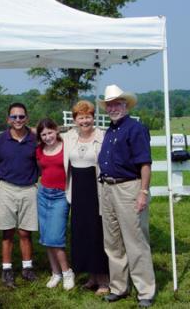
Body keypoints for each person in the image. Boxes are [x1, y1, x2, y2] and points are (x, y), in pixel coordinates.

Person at [98, 85, 156, 308]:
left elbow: (145, 164)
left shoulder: (136, 128)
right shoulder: (110, 130)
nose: (113, 108)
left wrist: (143, 192)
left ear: (125, 105)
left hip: (128, 188)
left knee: (136, 241)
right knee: (112, 242)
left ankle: (145, 291)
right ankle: (119, 287)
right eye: (110, 104)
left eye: (117, 103)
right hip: (108, 188)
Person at [63, 101, 109, 295]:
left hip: (96, 190)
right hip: (77, 191)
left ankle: (105, 280)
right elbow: (44, 135)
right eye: (80, 117)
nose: (85, 120)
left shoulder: (103, 136)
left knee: (98, 234)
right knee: (82, 234)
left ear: (93, 117)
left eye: (88, 116)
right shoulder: (68, 137)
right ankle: (91, 276)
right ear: (74, 120)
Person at [0, 102, 38, 288]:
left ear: (26, 118)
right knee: (8, 232)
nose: (17, 120)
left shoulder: (35, 139)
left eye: (21, 116)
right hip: (6, 188)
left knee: (25, 232)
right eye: (14, 117)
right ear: (8, 119)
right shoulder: (0, 140)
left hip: (29, 188)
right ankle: (7, 270)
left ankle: (27, 269)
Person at [36, 118, 75, 290]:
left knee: (56, 237)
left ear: (56, 130)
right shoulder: (39, 150)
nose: (47, 137)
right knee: (46, 238)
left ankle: (67, 272)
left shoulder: (67, 146)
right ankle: (55, 273)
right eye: (43, 134)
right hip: (43, 194)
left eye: (50, 132)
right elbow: (40, 169)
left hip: (61, 195)